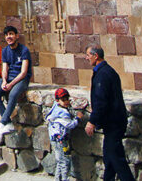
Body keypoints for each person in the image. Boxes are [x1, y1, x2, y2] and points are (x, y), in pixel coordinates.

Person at [84, 45, 135, 181]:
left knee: (116, 159)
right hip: (113, 122)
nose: (86, 58)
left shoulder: (103, 74)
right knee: (109, 157)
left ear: (96, 56)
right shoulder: (105, 72)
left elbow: (101, 101)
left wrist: (92, 121)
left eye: (88, 55)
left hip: (114, 123)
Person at [0, 25, 32, 142]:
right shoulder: (5, 51)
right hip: (9, 78)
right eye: (7, 35)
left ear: (16, 36)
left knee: (13, 95)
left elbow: (24, 72)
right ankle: (8, 122)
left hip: (21, 79)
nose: (9, 37)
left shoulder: (24, 50)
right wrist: (4, 81)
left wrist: (11, 84)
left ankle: (2, 123)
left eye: (11, 34)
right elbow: (4, 68)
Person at [46, 88, 80, 181]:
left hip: (57, 140)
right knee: (65, 162)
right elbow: (70, 124)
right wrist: (78, 118)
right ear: (57, 100)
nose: (66, 102)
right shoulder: (62, 113)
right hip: (60, 141)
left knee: (60, 162)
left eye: (67, 99)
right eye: (63, 100)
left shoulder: (56, 107)